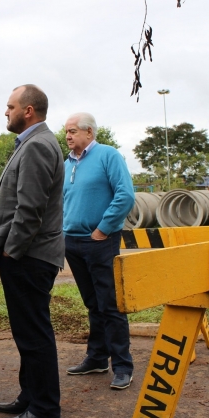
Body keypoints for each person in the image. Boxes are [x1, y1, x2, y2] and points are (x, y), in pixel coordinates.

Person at [0, 84, 65, 418]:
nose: (6, 111)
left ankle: (44, 409)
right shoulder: (34, 143)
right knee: (28, 332)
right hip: (28, 255)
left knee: (33, 334)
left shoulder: (38, 145)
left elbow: (30, 209)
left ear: (28, 110)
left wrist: (12, 251)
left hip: (28, 256)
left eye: (10, 106)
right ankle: (31, 395)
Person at [62, 113, 136, 389]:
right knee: (92, 303)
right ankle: (96, 358)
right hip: (73, 242)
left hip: (100, 241)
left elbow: (125, 195)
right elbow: (62, 200)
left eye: (72, 131)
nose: (67, 136)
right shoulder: (66, 163)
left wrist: (103, 228)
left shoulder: (108, 156)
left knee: (110, 304)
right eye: (66, 132)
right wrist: (62, 228)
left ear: (89, 132)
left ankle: (122, 365)